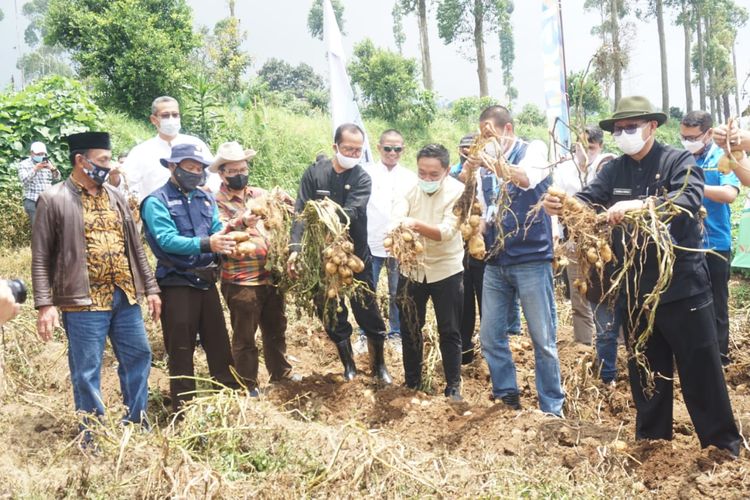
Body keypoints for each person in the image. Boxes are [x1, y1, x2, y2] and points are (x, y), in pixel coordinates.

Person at [543, 96, 741, 455]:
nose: (623, 133)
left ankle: (723, 447)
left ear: (652, 126)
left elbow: (686, 201)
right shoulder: (613, 170)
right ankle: (652, 446)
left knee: (701, 371)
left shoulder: (677, 161)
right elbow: (589, 199)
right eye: (618, 129)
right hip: (634, 288)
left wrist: (643, 205)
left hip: (681, 286)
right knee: (646, 373)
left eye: (631, 127)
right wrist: (564, 206)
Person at [32, 132, 160, 427]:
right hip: (83, 301)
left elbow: (135, 247)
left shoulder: (115, 196)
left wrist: (150, 288)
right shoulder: (53, 199)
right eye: (103, 160)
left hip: (124, 295)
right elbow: (41, 257)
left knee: (139, 356)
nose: (110, 165)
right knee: (87, 370)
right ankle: (93, 432)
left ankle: (137, 422)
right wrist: (45, 304)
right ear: (81, 160)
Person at [475, 105, 564, 416]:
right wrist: (474, 228)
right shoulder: (482, 170)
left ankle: (552, 406)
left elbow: (525, 179)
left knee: (543, 338)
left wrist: (488, 160)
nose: (484, 140)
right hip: (496, 261)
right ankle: (507, 395)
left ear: (507, 129)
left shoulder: (534, 150)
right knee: (489, 334)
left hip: (531, 258)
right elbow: (487, 210)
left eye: (489, 133)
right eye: (481, 135)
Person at [288, 123, 392, 384]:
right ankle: (349, 366)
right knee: (330, 309)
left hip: (353, 255)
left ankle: (379, 366)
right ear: (335, 146)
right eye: (348, 148)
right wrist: (296, 249)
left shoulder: (362, 178)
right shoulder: (314, 173)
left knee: (367, 308)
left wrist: (323, 212)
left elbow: (351, 212)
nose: (353, 154)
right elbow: (301, 211)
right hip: (320, 257)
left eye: (358, 150)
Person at [141, 143, 240, 412]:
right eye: (190, 168)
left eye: (199, 169)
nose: (196, 173)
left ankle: (230, 400)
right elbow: (167, 240)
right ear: (173, 167)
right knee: (181, 348)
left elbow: (217, 229)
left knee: (218, 342)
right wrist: (208, 244)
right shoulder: (156, 202)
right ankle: (184, 408)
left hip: (206, 281)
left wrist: (235, 229)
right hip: (176, 282)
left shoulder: (205, 199)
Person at [210, 141, 296, 395]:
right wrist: (241, 220)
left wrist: (289, 204)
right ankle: (247, 384)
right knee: (245, 335)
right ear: (222, 173)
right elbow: (218, 232)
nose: (240, 175)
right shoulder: (215, 200)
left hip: (271, 277)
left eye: (243, 169)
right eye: (233, 171)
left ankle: (281, 374)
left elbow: (283, 219)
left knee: (276, 329)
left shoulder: (260, 195)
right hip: (241, 279)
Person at [393, 144, 465, 401]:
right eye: (422, 173)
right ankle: (412, 382)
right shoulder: (408, 188)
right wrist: (399, 226)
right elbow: (397, 215)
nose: (427, 179)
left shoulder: (459, 192)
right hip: (411, 269)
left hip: (446, 270)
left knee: (450, 329)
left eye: (433, 175)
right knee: (410, 327)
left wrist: (413, 225)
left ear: (446, 170)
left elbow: (446, 232)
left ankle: (453, 386)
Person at [680, 111, 740, 366]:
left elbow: (729, 194)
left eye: (692, 137)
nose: (687, 141)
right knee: (688, 301)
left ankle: (720, 357)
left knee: (717, 302)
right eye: (683, 136)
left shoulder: (722, 155)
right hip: (686, 242)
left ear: (707, 133)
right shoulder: (680, 158)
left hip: (715, 242)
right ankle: (695, 354)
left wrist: (696, 187)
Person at [553, 126, 616, 346]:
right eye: (580, 147)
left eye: (590, 148)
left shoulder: (608, 165)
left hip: (604, 240)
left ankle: (614, 343)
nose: (585, 152)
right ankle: (583, 345)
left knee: (608, 293)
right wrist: (557, 234)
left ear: (600, 147)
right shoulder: (563, 170)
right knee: (579, 293)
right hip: (573, 238)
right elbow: (557, 205)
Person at [358, 129, 416, 354]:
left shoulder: (410, 177)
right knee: (367, 291)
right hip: (370, 242)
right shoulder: (366, 173)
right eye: (388, 148)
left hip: (399, 245)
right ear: (379, 148)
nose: (392, 153)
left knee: (397, 293)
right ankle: (365, 334)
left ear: (403, 150)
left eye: (397, 149)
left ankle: (395, 333)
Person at [123, 96, 221, 201]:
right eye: (165, 115)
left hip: (195, 210)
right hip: (157, 212)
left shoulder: (196, 144)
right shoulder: (141, 152)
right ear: (154, 119)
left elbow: (216, 173)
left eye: (175, 115)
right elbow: (126, 185)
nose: (171, 119)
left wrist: (205, 190)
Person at [16, 141, 60, 227]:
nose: (41, 156)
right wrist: (35, 169)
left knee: (50, 228)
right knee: (38, 228)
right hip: (32, 200)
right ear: (32, 153)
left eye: (42, 154)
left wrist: (52, 168)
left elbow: (57, 177)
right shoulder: (24, 164)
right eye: (38, 154)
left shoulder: (47, 162)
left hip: (48, 200)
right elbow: (24, 180)